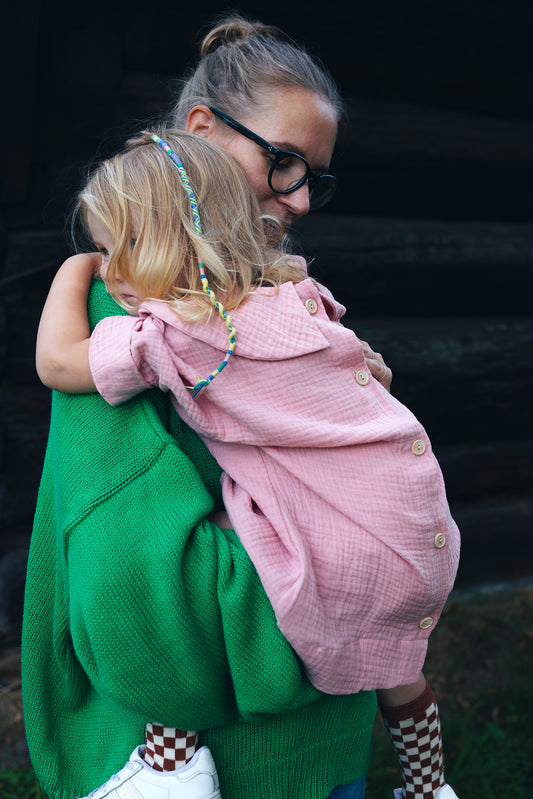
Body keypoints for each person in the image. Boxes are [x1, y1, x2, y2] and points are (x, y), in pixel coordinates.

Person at [21, 14, 437, 799]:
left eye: (315, 177)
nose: (301, 199)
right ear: (203, 130)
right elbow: (135, 587)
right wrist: (346, 574)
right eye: (283, 162)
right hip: (240, 758)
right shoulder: (125, 311)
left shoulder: (278, 299)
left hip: (318, 738)